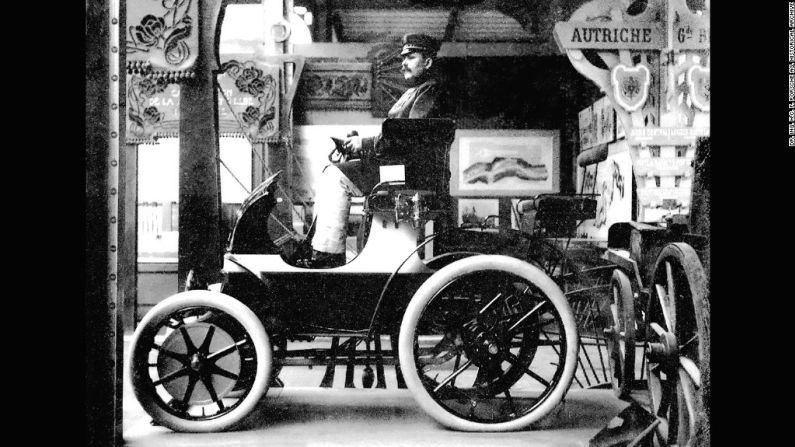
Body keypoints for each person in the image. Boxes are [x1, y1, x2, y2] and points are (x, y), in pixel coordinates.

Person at [307, 33, 446, 268]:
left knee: (335, 176)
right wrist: (362, 147)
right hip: (404, 171)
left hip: (408, 174)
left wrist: (365, 145)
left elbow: (409, 137)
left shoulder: (429, 93)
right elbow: (398, 137)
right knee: (333, 173)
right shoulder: (416, 92)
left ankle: (328, 256)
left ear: (428, 62)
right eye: (404, 57)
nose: (403, 62)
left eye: (411, 57)